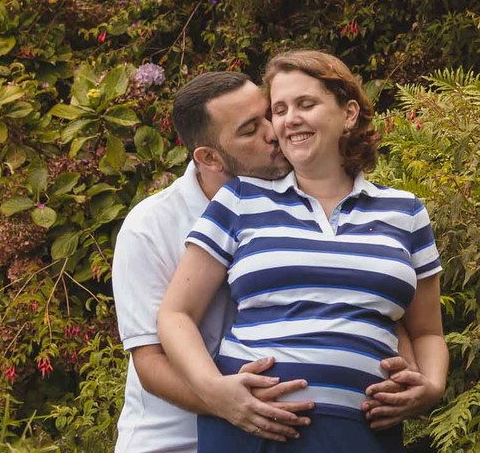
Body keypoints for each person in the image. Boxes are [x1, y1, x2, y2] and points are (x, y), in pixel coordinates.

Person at [113, 71, 428, 453]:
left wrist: (406, 368)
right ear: (210, 157)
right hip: (176, 440)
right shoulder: (150, 227)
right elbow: (150, 362)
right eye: (250, 130)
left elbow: (357, 298)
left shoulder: (305, 196)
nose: (274, 132)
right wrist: (226, 403)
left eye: (269, 115)